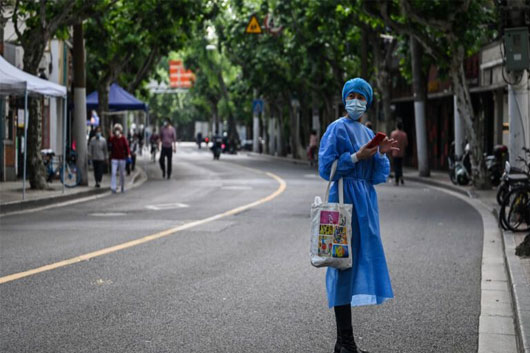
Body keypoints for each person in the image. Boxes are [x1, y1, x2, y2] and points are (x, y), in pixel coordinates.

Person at [318, 78, 399, 353]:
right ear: (344, 99)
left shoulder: (368, 132)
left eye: (361, 97)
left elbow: (377, 176)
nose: (356, 101)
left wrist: (381, 154)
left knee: (360, 263)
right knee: (342, 267)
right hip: (341, 203)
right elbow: (325, 167)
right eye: (351, 95)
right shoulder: (336, 129)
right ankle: (345, 342)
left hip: (365, 205)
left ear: (367, 102)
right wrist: (355, 157)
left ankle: (345, 343)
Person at [108, 123, 131, 193]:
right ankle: (113, 187)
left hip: (122, 158)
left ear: (120, 130)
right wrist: (110, 135)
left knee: (122, 173)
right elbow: (109, 143)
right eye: (116, 129)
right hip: (114, 158)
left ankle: (122, 186)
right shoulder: (113, 138)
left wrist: (128, 154)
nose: (117, 131)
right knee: (113, 172)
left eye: (118, 129)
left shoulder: (123, 138)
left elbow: (126, 147)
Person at [390, 120, 408, 186]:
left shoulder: (393, 133)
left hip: (395, 152)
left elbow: (391, 143)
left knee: (396, 166)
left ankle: (397, 180)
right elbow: (406, 143)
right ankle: (401, 177)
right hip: (402, 152)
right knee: (400, 166)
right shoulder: (404, 134)